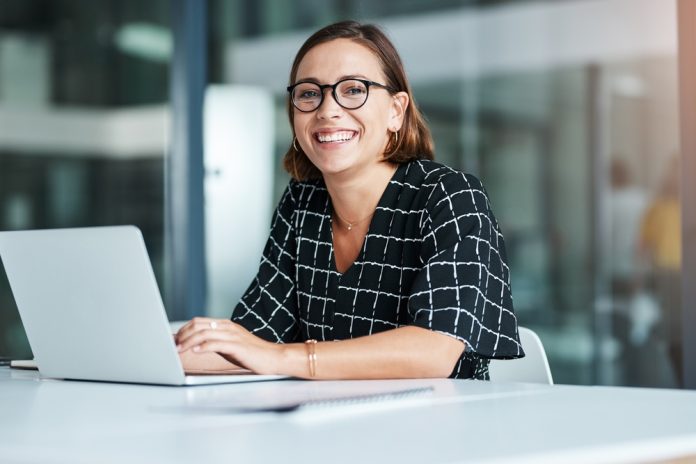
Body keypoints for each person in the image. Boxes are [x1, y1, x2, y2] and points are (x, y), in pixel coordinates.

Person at [175, 20, 524, 380]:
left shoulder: (450, 197)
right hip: (326, 423)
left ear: (395, 110)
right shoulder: (302, 203)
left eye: (353, 89)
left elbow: (435, 350)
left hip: (440, 426)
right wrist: (168, 353)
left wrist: (282, 358)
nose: (327, 110)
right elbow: (257, 338)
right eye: (309, 93)